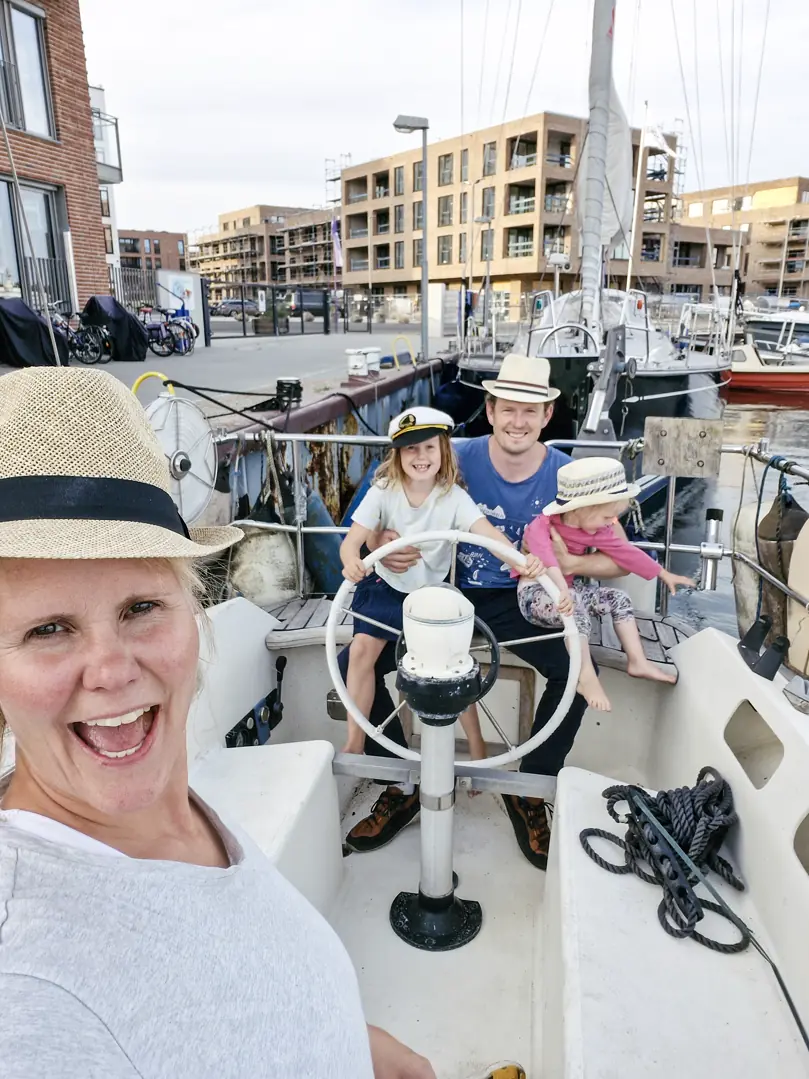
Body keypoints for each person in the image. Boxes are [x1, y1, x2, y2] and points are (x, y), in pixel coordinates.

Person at [0, 367, 434, 1079]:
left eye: (141, 607)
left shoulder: (170, 812)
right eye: (48, 628)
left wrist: (351, 1041)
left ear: (193, 615)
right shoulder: (28, 995)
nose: (111, 671)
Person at [342, 354, 632, 870]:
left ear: (547, 415)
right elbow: (375, 508)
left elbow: (620, 557)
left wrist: (566, 562)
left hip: (519, 600)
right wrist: (383, 540)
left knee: (575, 670)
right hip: (439, 589)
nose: (518, 421)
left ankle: (529, 788)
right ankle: (400, 782)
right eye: (507, 408)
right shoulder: (447, 454)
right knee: (355, 662)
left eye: (530, 410)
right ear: (491, 410)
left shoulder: (567, 475)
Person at [340, 406, 541, 757]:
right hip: (385, 588)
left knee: (450, 662)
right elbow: (350, 544)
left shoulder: (453, 499)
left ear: (443, 451)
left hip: (431, 595)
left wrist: (524, 563)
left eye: (429, 447)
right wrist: (351, 564)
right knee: (359, 652)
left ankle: (477, 747)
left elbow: (490, 536)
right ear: (398, 455)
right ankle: (355, 744)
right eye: (411, 449)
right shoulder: (383, 491)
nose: (421, 457)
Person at [518, 456, 694, 712]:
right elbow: (548, 560)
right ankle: (585, 675)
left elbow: (625, 551)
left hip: (566, 593)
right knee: (575, 606)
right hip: (534, 594)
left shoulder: (596, 529)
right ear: (581, 509)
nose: (611, 522)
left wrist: (663, 574)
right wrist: (562, 590)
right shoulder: (541, 526)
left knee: (618, 598)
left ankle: (637, 661)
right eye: (607, 516)